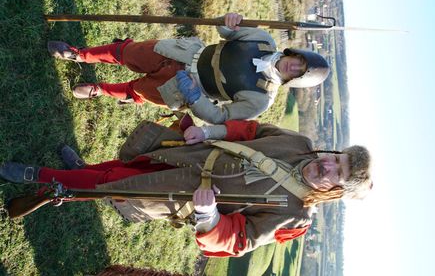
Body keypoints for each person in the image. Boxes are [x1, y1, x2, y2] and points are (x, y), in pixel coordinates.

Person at [0, 120, 371, 257]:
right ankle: (74, 175)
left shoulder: (295, 215)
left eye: (336, 173)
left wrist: (209, 216)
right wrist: (208, 132)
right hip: (188, 153)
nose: (328, 166)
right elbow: (249, 132)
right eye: (336, 159)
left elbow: (240, 240)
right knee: (117, 171)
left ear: (335, 189)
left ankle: (40, 177)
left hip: (177, 193)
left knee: (109, 185)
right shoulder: (298, 141)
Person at [47, 13, 330, 124]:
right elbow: (225, 31)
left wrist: (194, 99)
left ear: (296, 79)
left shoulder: (261, 99)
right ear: (296, 53)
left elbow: (221, 117)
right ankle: (79, 55)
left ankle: (100, 89)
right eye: (299, 60)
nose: (293, 65)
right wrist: (228, 20)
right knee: (128, 52)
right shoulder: (263, 39)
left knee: (137, 92)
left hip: (184, 89)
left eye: (298, 71)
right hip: (184, 53)